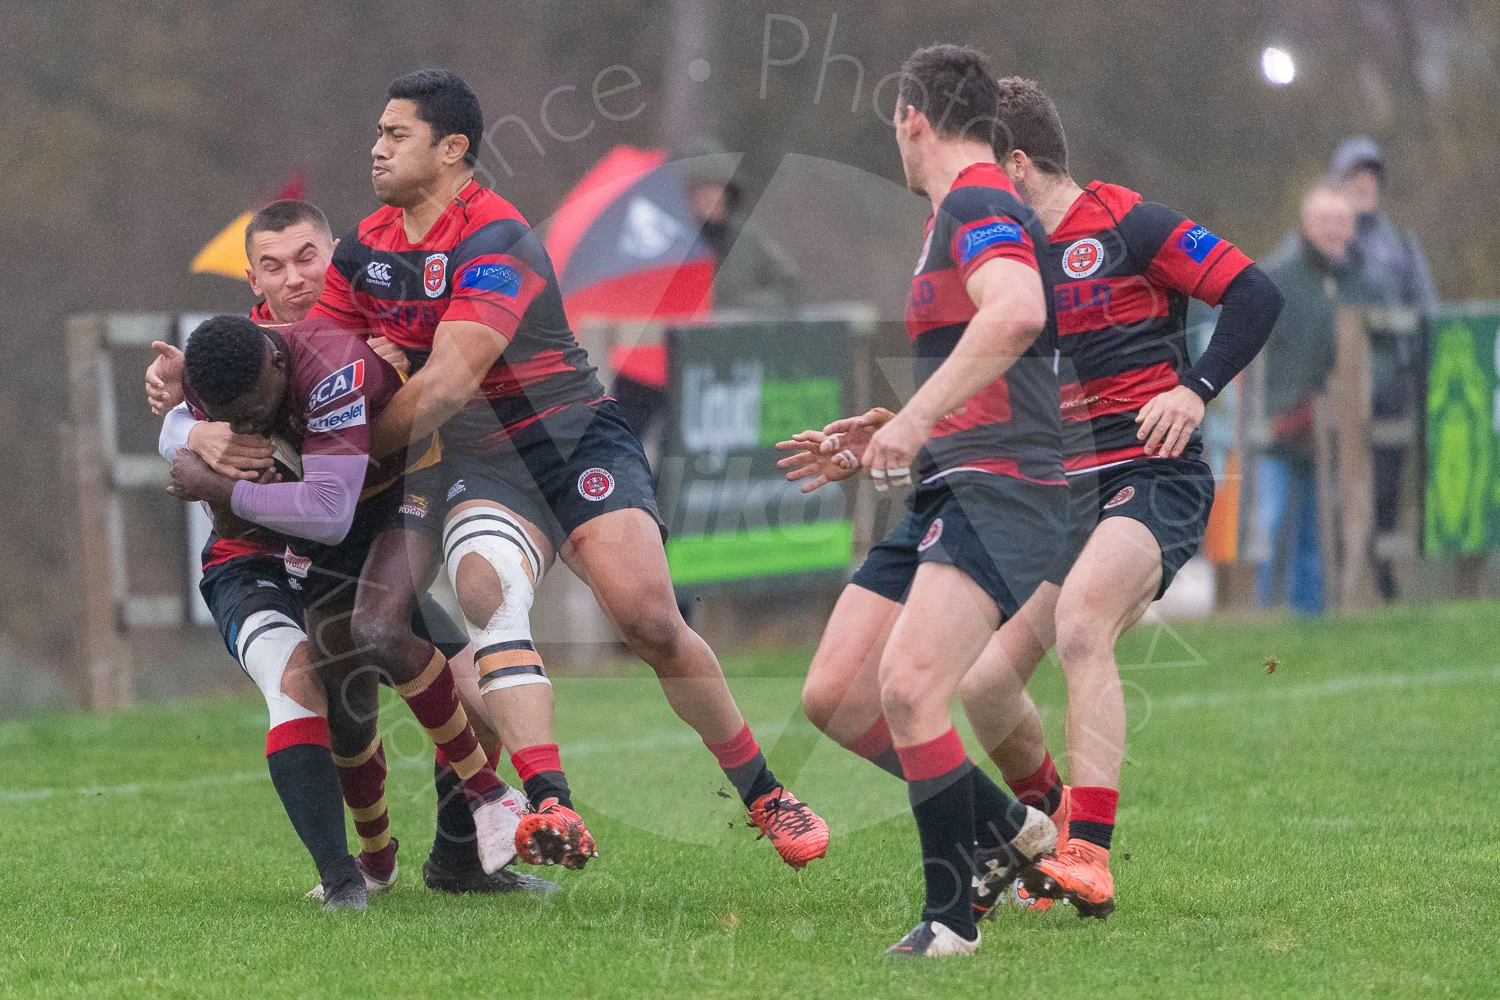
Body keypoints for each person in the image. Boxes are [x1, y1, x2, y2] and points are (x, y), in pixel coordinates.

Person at [315, 69, 828, 870]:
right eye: (378, 133)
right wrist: (210, 396)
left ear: (453, 151)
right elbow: (314, 356)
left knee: (650, 621)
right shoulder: (363, 248)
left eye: (395, 134)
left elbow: (448, 382)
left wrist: (348, 451)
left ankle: (765, 791)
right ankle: (550, 804)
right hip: (482, 465)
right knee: (488, 593)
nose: (375, 148)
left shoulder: (496, 238)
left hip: (573, 442)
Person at [146, 201, 547, 901]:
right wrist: (186, 430)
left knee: (470, 688)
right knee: (332, 687)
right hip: (272, 554)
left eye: (309, 257)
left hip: (375, 519)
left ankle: (464, 856)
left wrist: (392, 366)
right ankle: (365, 866)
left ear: (339, 255)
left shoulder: (370, 318)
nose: (296, 278)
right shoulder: (232, 355)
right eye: (274, 265)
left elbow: (442, 363)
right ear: (253, 281)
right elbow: (179, 414)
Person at [946, 78, 1280, 918]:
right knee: (985, 684)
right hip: (1070, 493)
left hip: (1154, 475)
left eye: (981, 171)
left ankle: (1090, 855)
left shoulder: (1130, 222)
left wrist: (1196, 388)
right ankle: (1055, 824)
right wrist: (896, 426)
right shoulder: (1009, 269)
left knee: (1082, 623)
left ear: (1016, 165)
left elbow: (1256, 294)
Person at [779, 45, 1068, 956]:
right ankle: (1012, 828)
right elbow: (983, 359)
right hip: (958, 475)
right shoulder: (955, 211)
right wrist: (894, 427)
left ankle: (951, 922)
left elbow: (1017, 311)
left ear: (912, 118)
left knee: (908, 688)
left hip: (1004, 486)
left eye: (894, 128)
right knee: (835, 694)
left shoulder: (979, 200)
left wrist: (916, 423)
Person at [611, 137, 801, 444]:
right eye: (702, 191)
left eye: (719, 191)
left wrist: (735, 310)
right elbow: (629, 295)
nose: (713, 200)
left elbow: (788, 286)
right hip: (652, 364)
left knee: (696, 449)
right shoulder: (657, 241)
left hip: (721, 367)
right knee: (628, 442)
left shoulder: (745, 241)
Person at [1254, 185, 1378, 614]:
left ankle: (1309, 614)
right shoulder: (1275, 277)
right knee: (1270, 524)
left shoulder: (1365, 282)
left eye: (1341, 220)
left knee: (1319, 529)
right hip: (1280, 427)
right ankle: (1263, 615)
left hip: (1338, 430)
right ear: (1307, 225)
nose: (1334, 229)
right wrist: (1277, 410)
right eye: (1325, 220)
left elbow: (1383, 351)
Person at [1330, 137, 1438, 600]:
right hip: (1341, 386)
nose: (1365, 185)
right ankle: (1346, 577)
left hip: (1392, 383)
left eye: (1371, 177)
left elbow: (1427, 310)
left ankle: (1384, 576)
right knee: (1344, 483)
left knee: (1391, 486)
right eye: (1355, 176)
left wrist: (1421, 373)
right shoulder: (1326, 241)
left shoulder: (1402, 246)